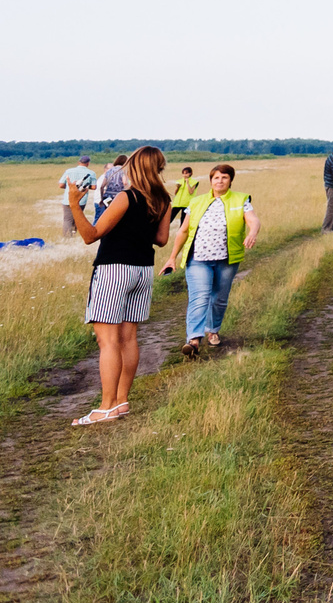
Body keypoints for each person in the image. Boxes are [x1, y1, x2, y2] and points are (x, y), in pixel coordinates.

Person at [65, 143, 172, 426]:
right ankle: (121, 401)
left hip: (113, 270)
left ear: (135, 166)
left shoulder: (126, 197)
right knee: (128, 338)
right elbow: (161, 240)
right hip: (143, 272)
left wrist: (75, 204)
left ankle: (105, 406)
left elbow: (91, 235)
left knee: (108, 340)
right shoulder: (164, 200)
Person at [179, 164, 258, 356]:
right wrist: (172, 257)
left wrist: (252, 233)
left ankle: (213, 330)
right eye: (216, 178)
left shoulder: (241, 199)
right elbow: (183, 230)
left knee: (219, 299)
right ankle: (194, 339)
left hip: (226, 259)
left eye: (224, 177)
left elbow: (253, 220)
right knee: (200, 297)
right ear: (211, 180)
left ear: (230, 180)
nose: (220, 181)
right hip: (198, 258)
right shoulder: (197, 202)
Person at [161, 167, 201, 275]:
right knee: (169, 219)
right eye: (183, 174)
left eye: (186, 174)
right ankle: (163, 230)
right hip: (178, 203)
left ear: (190, 174)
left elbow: (190, 191)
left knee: (183, 222)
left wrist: (187, 183)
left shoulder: (194, 182)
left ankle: (180, 237)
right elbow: (176, 192)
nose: (184, 175)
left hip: (187, 204)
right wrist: (177, 187)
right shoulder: (179, 181)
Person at [56, 155, 96, 238]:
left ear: (79, 162)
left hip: (68, 199)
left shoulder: (69, 171)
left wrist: (70, 187)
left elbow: (61, 185)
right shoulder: (91, 173)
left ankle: (67, 237)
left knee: (67, 219)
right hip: (81, 199)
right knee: (77, 218)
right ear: (88, 163)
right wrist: (84, 187)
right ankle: (74, 233)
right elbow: (94, 187)